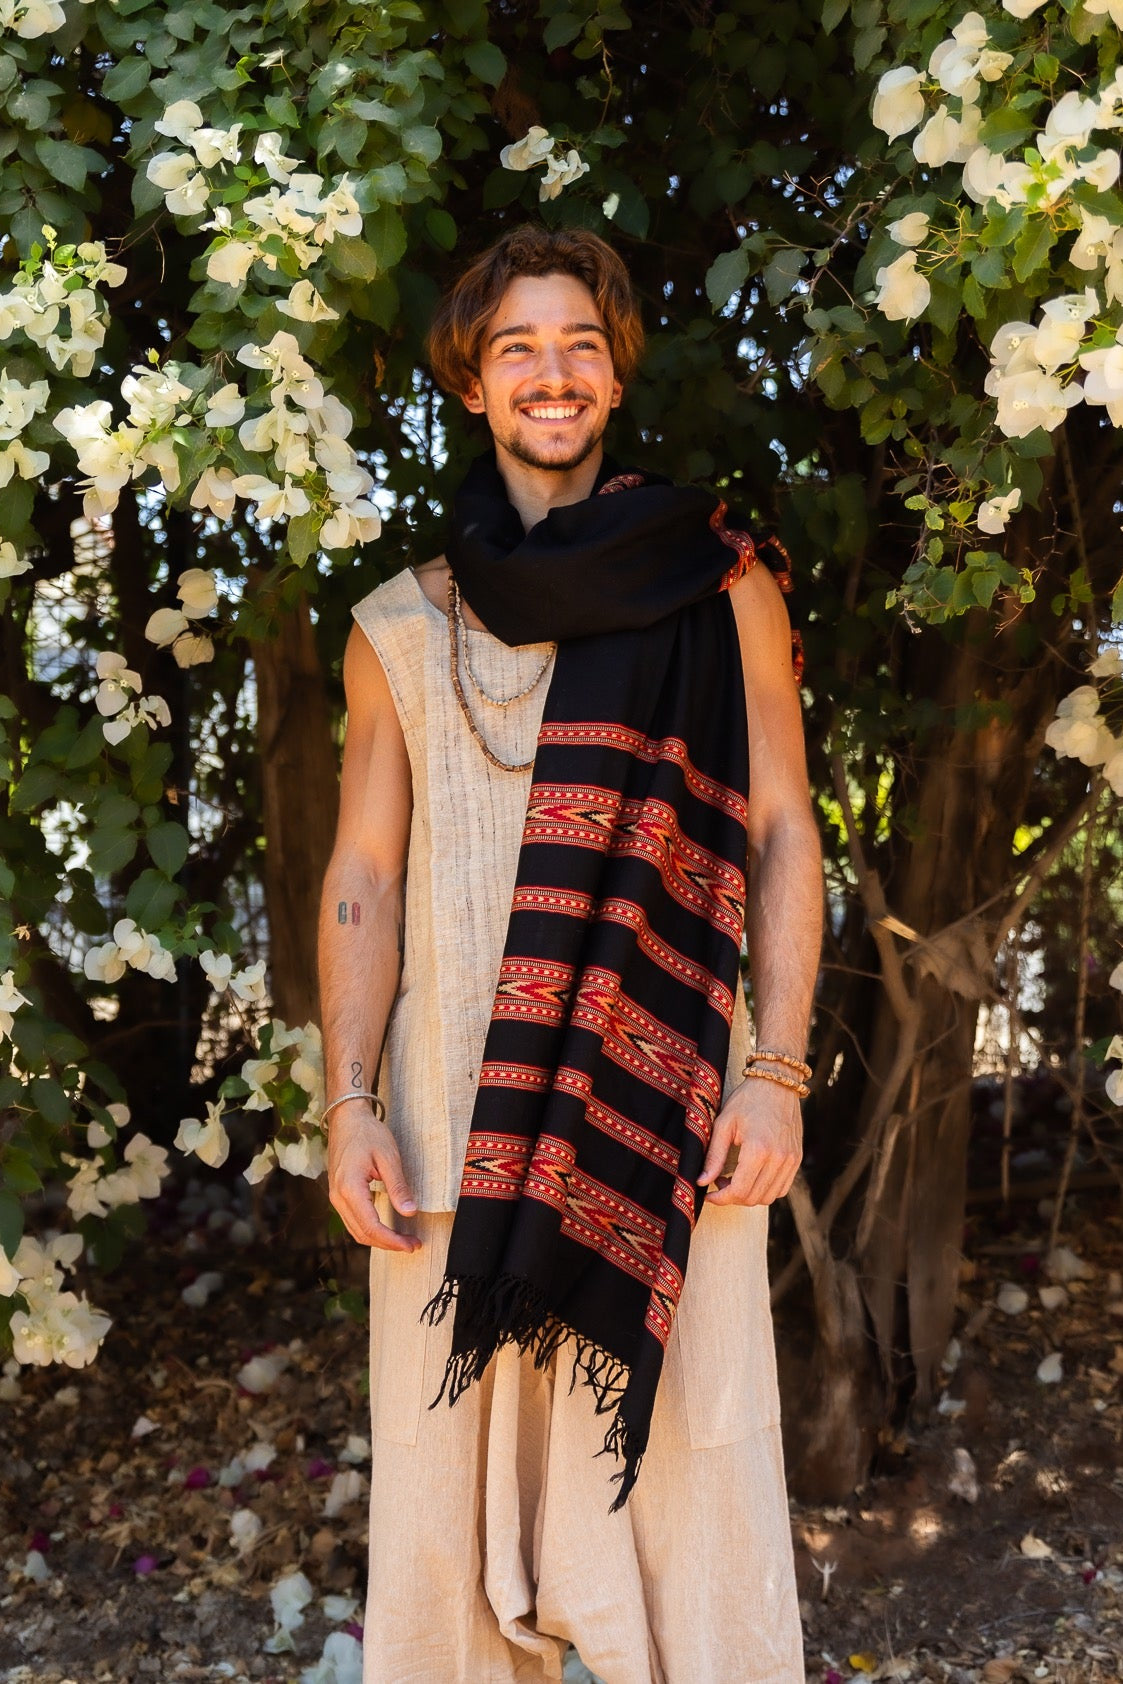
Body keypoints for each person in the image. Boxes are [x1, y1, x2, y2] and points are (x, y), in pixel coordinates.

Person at [317, 223, 822, 1684]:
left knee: (692, 1470)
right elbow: (362, 870)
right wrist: (350, 1103)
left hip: (667, 1095)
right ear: (472, 383)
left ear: (617, 376)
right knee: (440, 1495)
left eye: (581, 345)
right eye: (519, 347)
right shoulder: (398, 626)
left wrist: (776, 1070)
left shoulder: (718, 588)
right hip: (444, 1118)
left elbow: (785, 827)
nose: (553, 373)